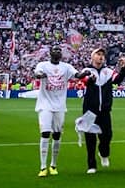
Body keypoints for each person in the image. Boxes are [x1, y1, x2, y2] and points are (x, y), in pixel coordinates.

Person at [33, 46, 82, 177]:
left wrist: (85, 73)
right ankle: (43, 167)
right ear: (50, 53)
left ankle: (53, 165)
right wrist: (39, 75)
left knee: (57, 135)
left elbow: (77, 75)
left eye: (59, 50)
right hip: (45, 105)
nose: (57, 52)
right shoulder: (43, 65)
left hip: (60, 106)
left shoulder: (66, 67)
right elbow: (36, 73)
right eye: (55, 50)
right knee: (45, 133)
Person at [80, 48, 125, 174]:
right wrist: (90, 80)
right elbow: (84, 81)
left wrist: (123, 69)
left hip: (105, 110)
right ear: (92, 57)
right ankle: (91, 165)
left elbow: (117, 80)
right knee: (90, 139)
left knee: (107, 136)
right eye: (98, 54)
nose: (101, 57)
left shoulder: (108, 72)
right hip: (89, 110)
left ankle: (103, 152)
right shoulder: (86, 70)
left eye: (102, 55)